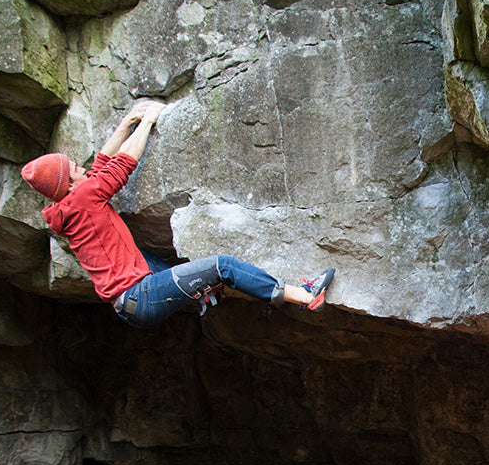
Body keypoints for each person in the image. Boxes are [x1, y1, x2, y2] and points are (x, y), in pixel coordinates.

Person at [20, 99, 334, 328]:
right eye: (75, 168)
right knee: (222, 265)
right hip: (141, 296)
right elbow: (121, 165)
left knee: (140, 255)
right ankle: (306, 296)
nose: (83, 168)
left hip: (131, 301)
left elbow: (102, 161)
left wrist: (127, 120)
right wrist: (147, 122)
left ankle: (202, 295)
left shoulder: (73, 203)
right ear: (69, 182)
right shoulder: (86, 198)